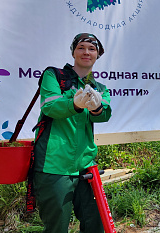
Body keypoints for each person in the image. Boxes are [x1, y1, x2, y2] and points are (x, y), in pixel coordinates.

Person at [33, 33, 112, 233]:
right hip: (54, 164)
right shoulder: (53, 76)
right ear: (73, 52)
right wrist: (74, 104)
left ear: (98, 54)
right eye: (81, 47)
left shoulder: (99, 88)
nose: (86, 52)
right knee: (56, 227)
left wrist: (96, 107)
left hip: (86, 165)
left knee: (96, 223)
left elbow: (104, 115)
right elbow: (50, 107)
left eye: (92, 49)